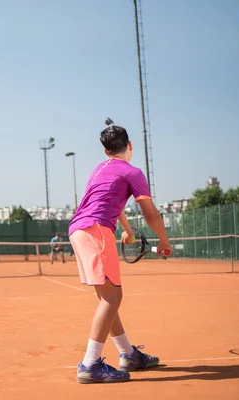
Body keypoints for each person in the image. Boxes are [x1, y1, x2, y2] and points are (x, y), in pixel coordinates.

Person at [68, 125, 173, 384]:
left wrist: (127, 230)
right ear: (131, 145)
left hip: (77, 229)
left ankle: (128, 355)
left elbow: (110, 202)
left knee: (108, 297)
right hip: (95, 230)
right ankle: (90, 364)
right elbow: (150, 212)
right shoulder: (132, 172)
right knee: (112, 297)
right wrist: (164, 240)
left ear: (106, 151)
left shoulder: (100, 169)